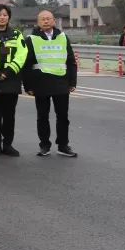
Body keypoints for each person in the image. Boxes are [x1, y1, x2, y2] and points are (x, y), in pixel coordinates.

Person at [23, 9, 78, 158]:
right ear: (38, 22)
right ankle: (44, 145)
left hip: (61, 82)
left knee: (63, 117)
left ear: (54, 21)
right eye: (43, 19)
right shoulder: (31, 39)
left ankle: (63, 145)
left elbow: (71, 61)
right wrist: (28, 86)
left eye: (48, 18)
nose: (46, 21)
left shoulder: (63, 37)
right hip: (41, 83)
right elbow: (26, 65)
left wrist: (72, 82)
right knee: (42, 117)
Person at [0, 3, 28, 157]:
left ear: (9, 17)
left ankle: (8, 144)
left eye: (5, 15)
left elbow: (21, 55)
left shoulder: (17, 34)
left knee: (9, 115)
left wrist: (8, 72)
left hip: (11, 80)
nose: (2, 18)